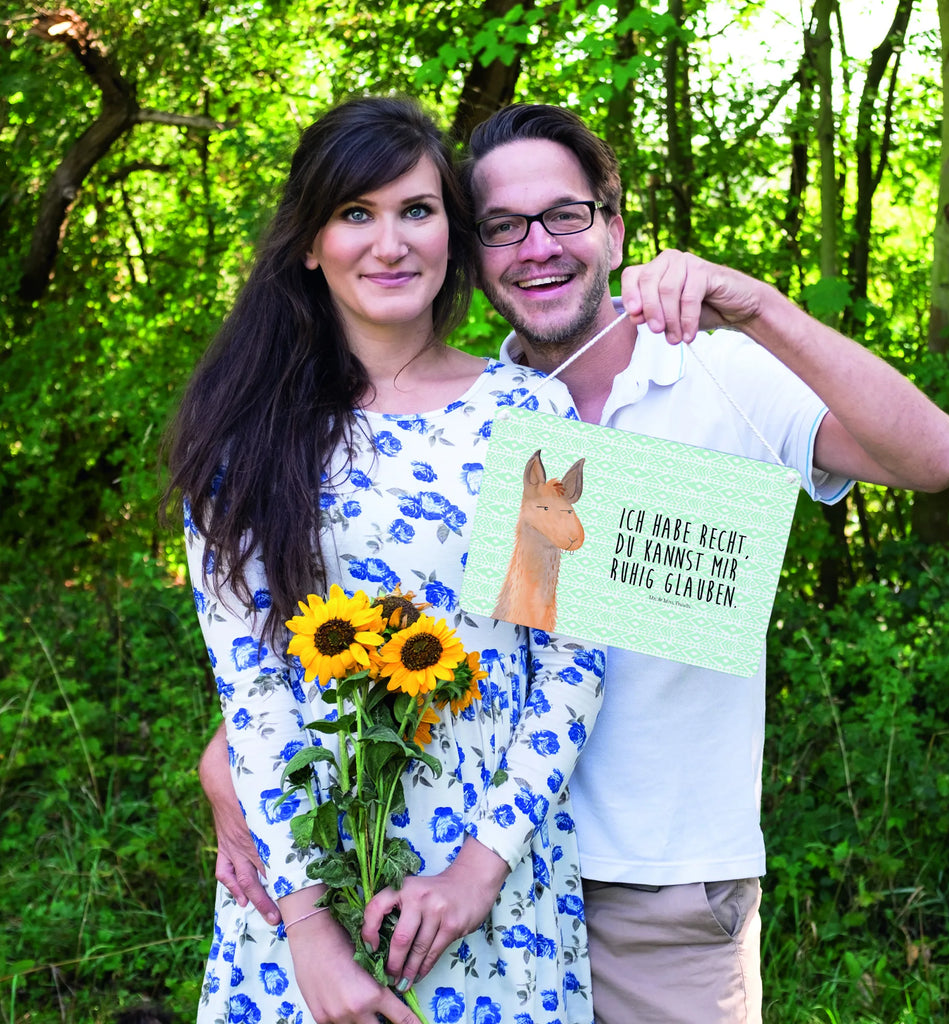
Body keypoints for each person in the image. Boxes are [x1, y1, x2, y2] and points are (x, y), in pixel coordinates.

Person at [201, 102, 949, 1024]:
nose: (536, 247)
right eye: (502, 227)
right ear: (474, 251)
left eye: (564, 215)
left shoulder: (708, 373)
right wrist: (235, 768)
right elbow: (334, 634)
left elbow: (938, 461)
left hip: (654, 887)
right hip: (429, 877)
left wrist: (760, 306)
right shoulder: (452, 416)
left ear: (612, 226)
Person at [164, 96, 610, 1024]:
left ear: (452, 229)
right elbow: (253, 693)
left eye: (417, 210)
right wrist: (312, 937)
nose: (391, 242)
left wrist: (477, 873)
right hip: (303, 890)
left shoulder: (531, 415)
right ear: (308, 243)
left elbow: (572, 666)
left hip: (492, 890)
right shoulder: (243, 439)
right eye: (355, 214)